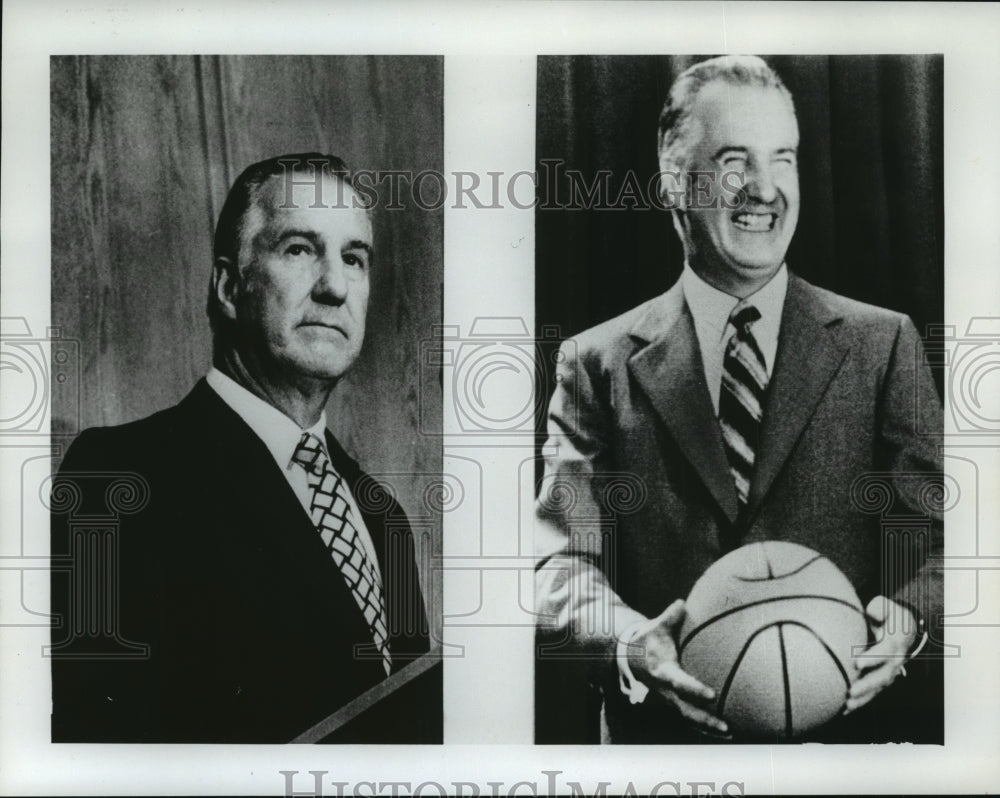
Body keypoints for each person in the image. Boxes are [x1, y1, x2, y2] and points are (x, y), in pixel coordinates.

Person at [534, 56, 944, 743]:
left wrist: (907, 618)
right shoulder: (594, 363)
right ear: (672, 180)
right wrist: (630, 639)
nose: (764, 189)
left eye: (782, 159)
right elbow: (558, 565)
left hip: (851, 758)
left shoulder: (885, 345)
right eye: (734, 161)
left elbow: (940, 545)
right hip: (665, 758)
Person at [50, 153, 431, 743]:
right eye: (300, 249)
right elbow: (98, 743)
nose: (335, 286)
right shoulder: (120, 475)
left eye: (354, 259)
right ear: (229, 287)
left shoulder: (382, 514)